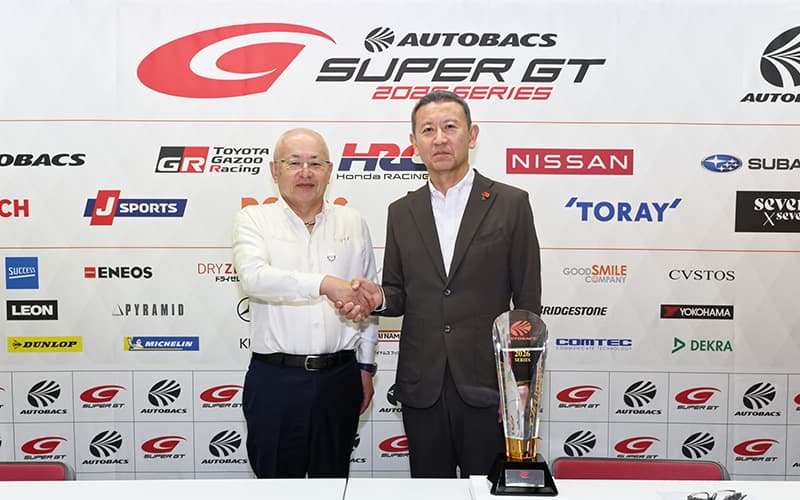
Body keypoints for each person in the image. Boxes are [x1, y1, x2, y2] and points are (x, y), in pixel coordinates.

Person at [346, 91, 542, 478]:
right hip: (423, 385)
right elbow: (398, 293)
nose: (439, 138)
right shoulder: (402, 211)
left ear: (472, 135)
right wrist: (379, 297)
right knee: (428, 489)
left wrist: (520, 379)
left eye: (450, 127)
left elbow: (527, 302)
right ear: (414, 143)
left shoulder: (511, 203)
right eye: (428, 130)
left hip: (488, 384)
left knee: (484, 489)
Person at [232, 128, 379, 478]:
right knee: (277, 488)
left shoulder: (353, 221)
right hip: (276, 381)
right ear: (274, 170)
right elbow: (254, 278)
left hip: (341, 380)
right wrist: (324, 284)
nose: (305, 172)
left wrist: (366, 366)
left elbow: (368, 300)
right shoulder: (253, 219)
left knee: (333, 485)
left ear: (329, 171)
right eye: (294, 162)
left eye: (315, 163)